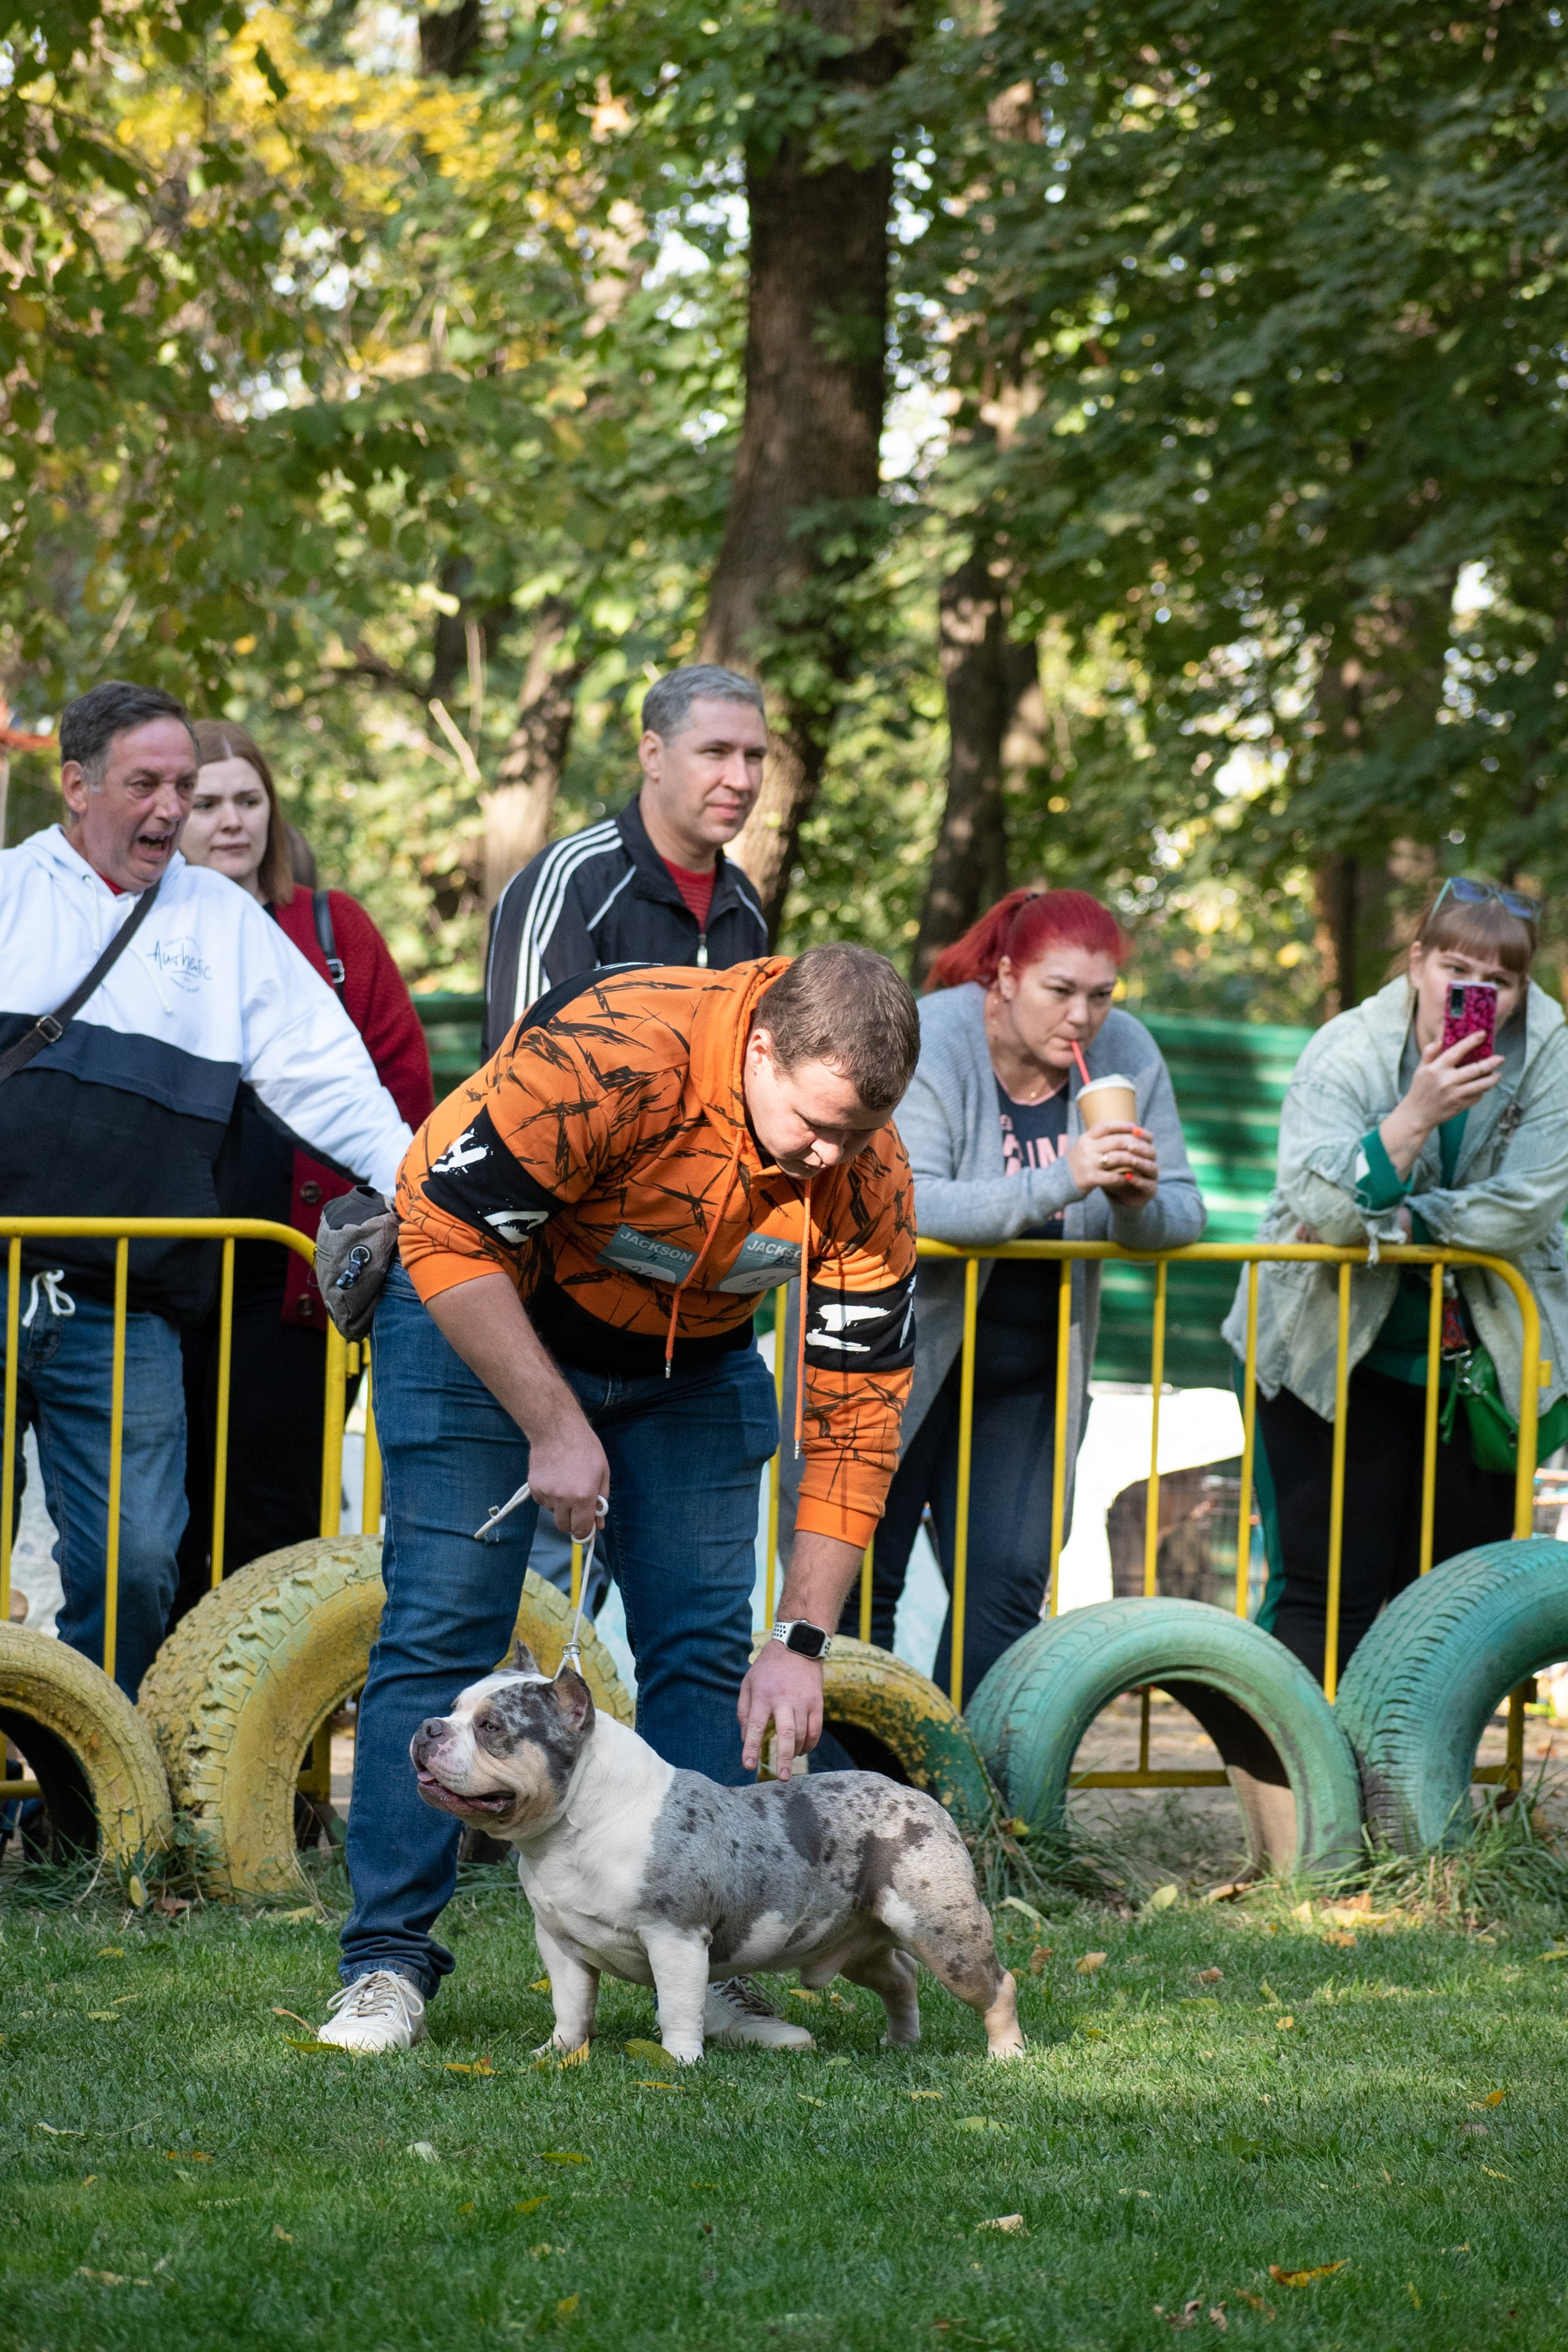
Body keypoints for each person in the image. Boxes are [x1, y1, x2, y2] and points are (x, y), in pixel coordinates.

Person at [316, 945, 920, 2053]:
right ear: (762, 1047)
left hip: (691, 1356)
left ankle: (710, 1964)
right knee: (447, 1619)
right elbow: (441, 1221)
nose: (830, 1157)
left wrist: (801, 1640)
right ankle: (386, 1967)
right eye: (815, 1125)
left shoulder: (865, 1172)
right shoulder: (622, 1050)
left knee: (701, 1639)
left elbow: (857, 1412)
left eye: (857, 1137)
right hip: (485, 1309)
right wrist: (553, 1423)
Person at [0, 682, 411, 1698]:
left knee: (140, 1564)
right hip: (4, 1266)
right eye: (146, 784)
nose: (174, 810)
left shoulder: (225, 924)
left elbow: (333, 1081)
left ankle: (92, 1812)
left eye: (184, 785)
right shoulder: (11, 891)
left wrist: (423, 1187)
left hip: (128, 1303)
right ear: (77, 786)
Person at [839, 887, 1205, 1701]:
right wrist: (1061, 1180)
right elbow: (911, 1200)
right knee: (864, 1582)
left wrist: (1134, 1202)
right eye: (1061, 991)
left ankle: (967, 1802)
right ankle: (849, 1799)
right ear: (1005, 976)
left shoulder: (1126, 1053)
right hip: (898, 1350)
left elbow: (1183, 1213)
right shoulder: (934, 1035)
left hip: (1031, 1367)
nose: (1083, 1017)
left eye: (1102, 995)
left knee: (1007, 1583)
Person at [1224, 876, 1568, 1687]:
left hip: (1474, 1369)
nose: (1475, 992)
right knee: (1324, 1589)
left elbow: (1529, 1204)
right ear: (1417, 964)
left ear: (1523, 989)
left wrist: (1402, 1221)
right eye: (1457, 968)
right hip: (1324, 1353)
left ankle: (1414, 1800)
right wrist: (1413, 1117)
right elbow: (1321, 1209)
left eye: (1502, 981)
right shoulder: (1345, 1049)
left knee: (1447, 1602)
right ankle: (1299, 1801)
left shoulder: (1551, 1051)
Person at [170, 720, 434, 1619]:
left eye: (250, 800)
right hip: (166, 1274)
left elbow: (402, 1086)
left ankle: (254, 1742)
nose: (231, 822)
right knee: (159, 1522)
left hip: (297, 1282)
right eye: (207, 802)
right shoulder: (140, 925)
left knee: (275, 1526)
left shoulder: (332, 928)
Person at [481, 663, 769, 1055]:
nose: (741, 779)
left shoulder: (745, 903)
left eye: (754, 757)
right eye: (715, 752)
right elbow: (516, 1080)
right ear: (652, 755)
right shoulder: (568, 883)